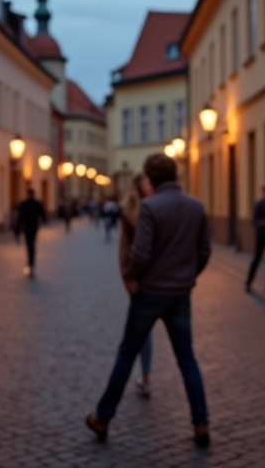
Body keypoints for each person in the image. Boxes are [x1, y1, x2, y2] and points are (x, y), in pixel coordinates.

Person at [86, 153, 212, 448]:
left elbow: (140, 253)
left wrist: (133, 275)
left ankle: (103, 418)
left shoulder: (150, 208)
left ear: (151, 179)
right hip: (180, 294)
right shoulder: (196, 207)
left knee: (127, 354)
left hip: (150, 294)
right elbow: (204, 251)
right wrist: (188, 276)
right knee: (187, 360)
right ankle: (201, 423)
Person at [118, 174, 155, 396]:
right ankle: (146, 375)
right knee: (140, 335)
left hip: (159, 280)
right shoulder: (129, 212)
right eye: (146, 184)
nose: (149, 186)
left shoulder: (159, 207)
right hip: (141, 282)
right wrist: (130, 281)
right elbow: (125, 250)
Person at [16, 189, 47, 275]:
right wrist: (44, 221)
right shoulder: (37, 203)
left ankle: (30, 263)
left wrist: (18, 230)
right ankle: (31, 263)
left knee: (29, 245)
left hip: (27, 227)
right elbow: (43, 214)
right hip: (34, 227)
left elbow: (19, 218)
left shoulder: (24, 204)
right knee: (32, 245)